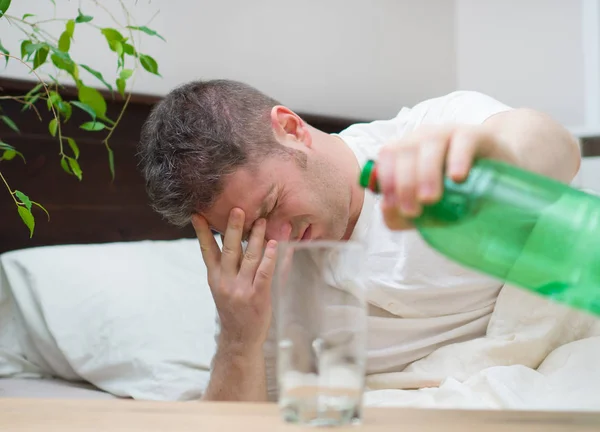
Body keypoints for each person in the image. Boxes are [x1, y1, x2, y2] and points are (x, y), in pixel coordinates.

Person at [137, 79, 581, 402]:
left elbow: (554, 147)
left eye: (272, 205)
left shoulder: (426, 137)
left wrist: (501, 161)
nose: (279, 238)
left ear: (291, 129)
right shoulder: (258, 277)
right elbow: (239, 420)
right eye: (249, 230)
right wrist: (238, 336)